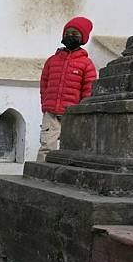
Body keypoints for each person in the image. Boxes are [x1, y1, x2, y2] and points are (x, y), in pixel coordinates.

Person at [37, 16, 97, 162]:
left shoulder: (86, 64)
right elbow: (44, 84)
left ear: (82, 38)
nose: (70, 36)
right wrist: (45, 104)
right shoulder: (52, 61)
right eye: (67, 33)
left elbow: (88, 90)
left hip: (72, 114)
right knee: (46, 146)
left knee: (70, 148)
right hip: (51, 112)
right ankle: (42, 173)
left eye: (75, 34)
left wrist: (83, 112)